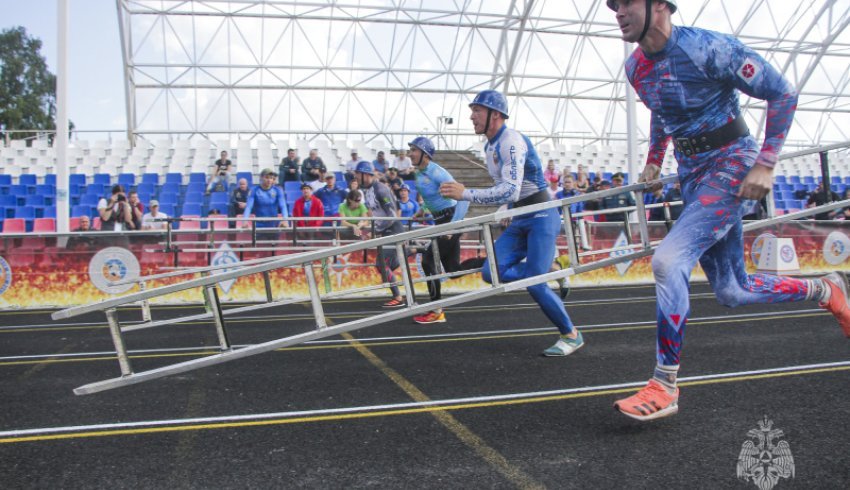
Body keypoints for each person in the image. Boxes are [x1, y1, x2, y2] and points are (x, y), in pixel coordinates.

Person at [607, 0, 850, 422]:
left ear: (660, 5)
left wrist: (766, 162)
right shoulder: (635, 69)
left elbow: (783, 92)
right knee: (732, 291)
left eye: (626, 2)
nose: (618, 12)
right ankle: (826, 290)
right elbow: (662, 111)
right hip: (693, 174)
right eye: (613, 6)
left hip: (733, 165)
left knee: (667, 261)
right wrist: (653, 158)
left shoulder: (708, 49)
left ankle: (664, 383)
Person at [439, 90, 583, 356]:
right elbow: (507, 191)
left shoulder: (511, 141)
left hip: (541, 214)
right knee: (489, 273)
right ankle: (552, 270)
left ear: (495, 115)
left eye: (477, 111)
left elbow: (511, 190)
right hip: (521, 216)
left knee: (535, 283)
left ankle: (571, 335)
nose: (471, 116)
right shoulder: (489, 146)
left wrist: (466, 193)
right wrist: (508, 209)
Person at [407, 136, 486, 324]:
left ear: (425, 154)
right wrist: (422, 211)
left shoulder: (437, 172)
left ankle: (436, 311)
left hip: (451, 221)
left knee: (427, 262)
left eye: (414, 150)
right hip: (441, 222)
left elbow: (464, 198)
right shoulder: (419, 173)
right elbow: (431, 197)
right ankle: (492, 258)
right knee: (453, 270)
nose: (410, 154)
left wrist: (453, 226)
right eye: (410, 150)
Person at [356, 160, 406, 308]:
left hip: (393, 230)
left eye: (358, 174)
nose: (356, 177)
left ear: (366, 174)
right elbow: (375, 215)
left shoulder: (380, 189)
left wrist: (375, 231)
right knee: (387, 264)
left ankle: (398, 297)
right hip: (385, 231)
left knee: (381, 264)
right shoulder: (367, 191)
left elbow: (391, 216)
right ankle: (411, 250)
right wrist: (367, 227)